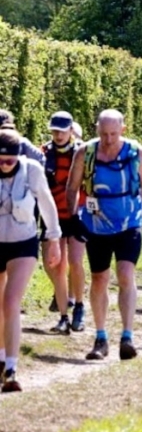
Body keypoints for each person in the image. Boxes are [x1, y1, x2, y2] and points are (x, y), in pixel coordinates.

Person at [66, 109, 142, 361]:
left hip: (129, 222)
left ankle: (127, 336)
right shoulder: (85, 153)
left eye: (113, 133)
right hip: (96, 224)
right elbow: (72, 187)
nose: (108, 139)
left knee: (125, 274)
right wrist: (72, 217)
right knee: (99, 278)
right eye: (104, 133)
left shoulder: (136, 153)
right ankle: (100, 337)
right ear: (97, 129)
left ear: (123, 128)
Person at [0, 129, 62, 392]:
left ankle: (12, 368)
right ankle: (1, 359)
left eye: (9, 162)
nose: (4, 166)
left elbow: (47, 205)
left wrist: (54, 239)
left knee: (11, 301)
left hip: (23, 243)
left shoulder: (32, 170)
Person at [41, 111, 87, 335]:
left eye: (62, 130)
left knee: (76, 262)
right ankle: (63, 316)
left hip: (77, 215)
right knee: (55, 266)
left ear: (71, 130)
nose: (58, 134)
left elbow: (89, 183)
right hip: (53, 216)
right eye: (55, 130)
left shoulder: (82, 152)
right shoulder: (44, 152)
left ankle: (79, 305)